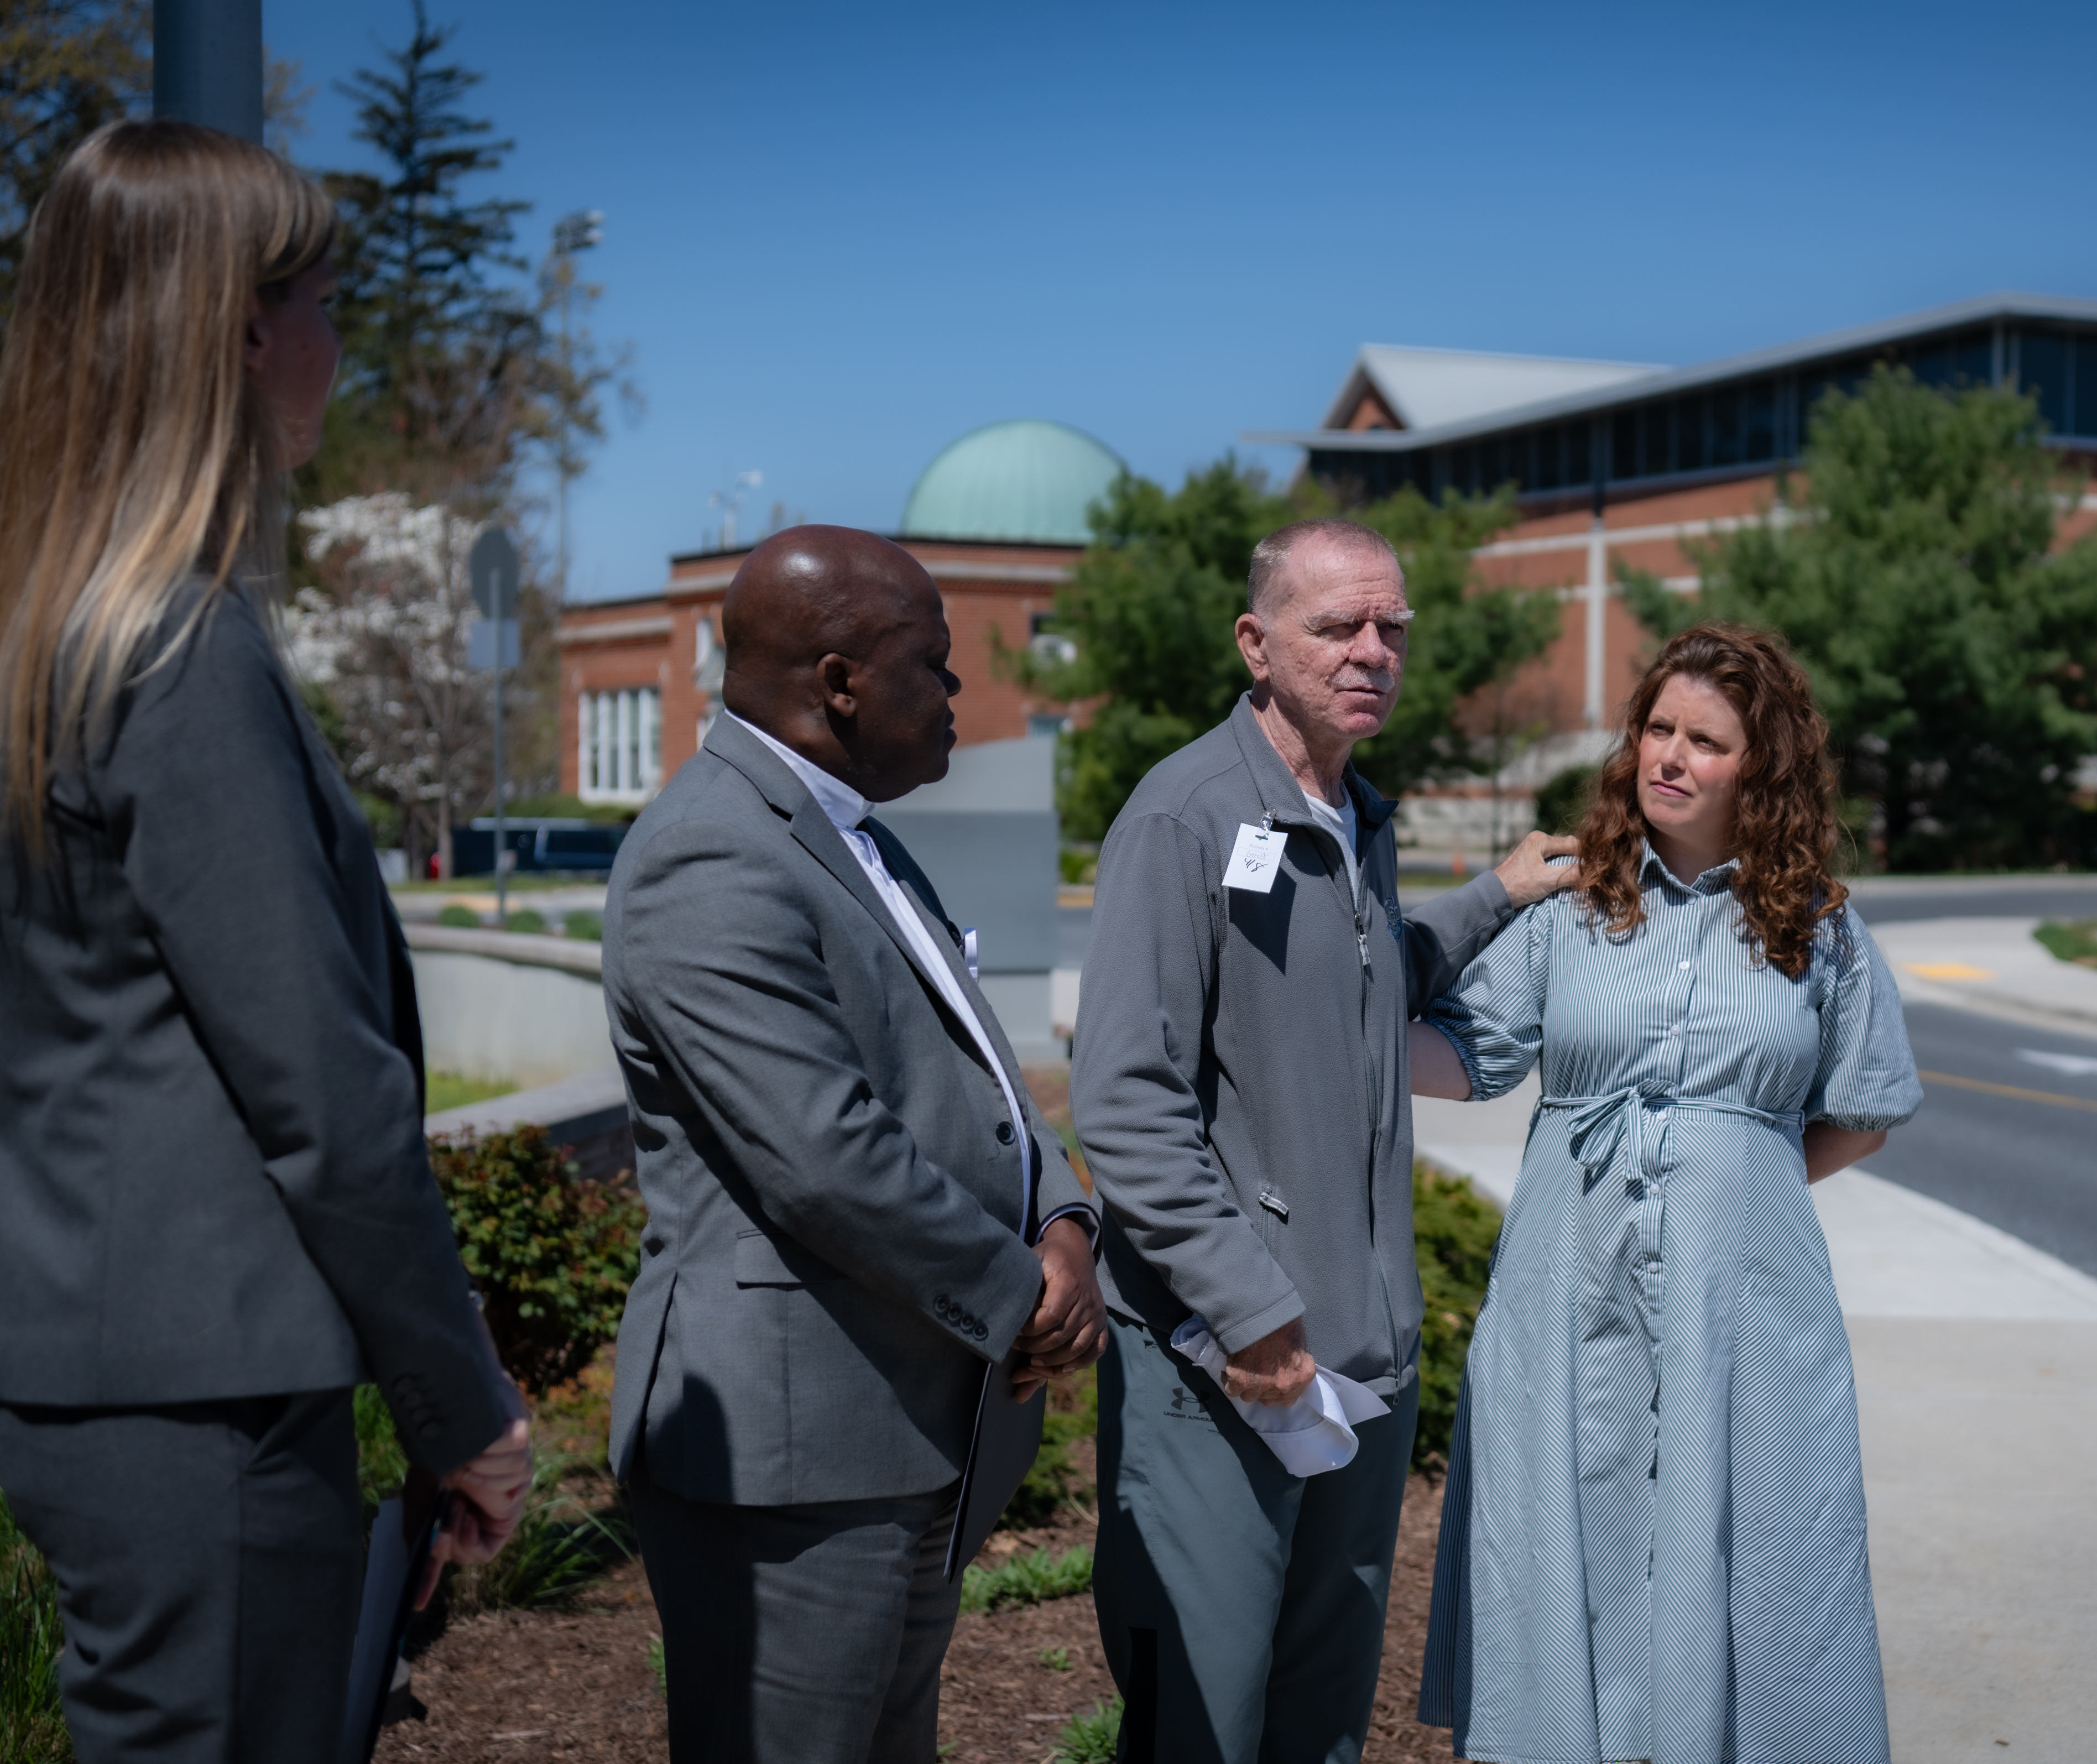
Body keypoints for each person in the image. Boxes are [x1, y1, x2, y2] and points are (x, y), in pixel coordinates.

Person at [0, 121, 531, 1760]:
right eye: (320, 297)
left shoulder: (57, 634)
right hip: (209, 1403)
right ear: (239, 327)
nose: (337, 341)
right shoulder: (182, 653)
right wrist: (467, 1407)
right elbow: (320, 1093)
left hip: (109, 1375)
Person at [1071, 517, 1576, 1761]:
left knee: (1318, 1728)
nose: (1372, 651)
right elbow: (1126, 1099)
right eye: (1336, 625)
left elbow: (1355, 985)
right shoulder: (1185, 815)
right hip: (1226, 1364)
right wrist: (1248, 1308)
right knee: (1206, 1726)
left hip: (1358, 1371)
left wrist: (1491, 899)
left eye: (1391, 628)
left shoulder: (1353, 816)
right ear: (1255, 643)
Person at [602, 525, 1105, 1762]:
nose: (957, 694)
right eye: (932, 664)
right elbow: (822, 1152)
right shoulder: (710, 853)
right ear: (839, 683)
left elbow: (988, 1077)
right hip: (794, 1463)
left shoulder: (856, 840)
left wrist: (1065, 1221)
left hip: (895, 1429)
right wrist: (1020, 1297)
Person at [1408, 623, 1921, 1764]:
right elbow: (1466, 1057)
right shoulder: (1569, 907)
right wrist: (1328, 1022)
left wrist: (1742, 1177)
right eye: (1657, 729)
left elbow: (1866, 1109)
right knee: (1569, 1507)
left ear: (1762, 767)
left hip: (1743, 1289)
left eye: (1706, 740)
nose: (1670, 757)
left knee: (1750, 1526)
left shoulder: (1818, 925)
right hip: (1569, 1268)